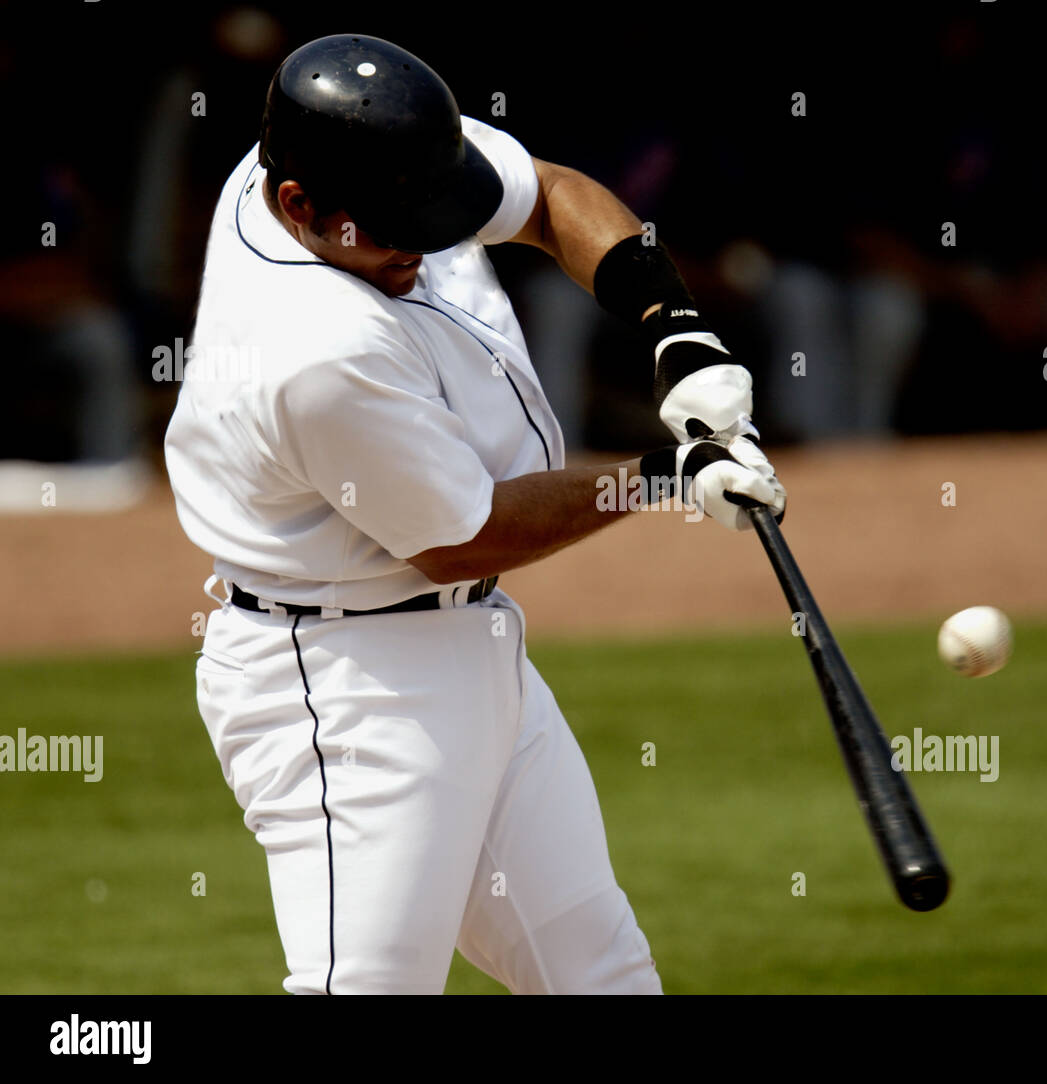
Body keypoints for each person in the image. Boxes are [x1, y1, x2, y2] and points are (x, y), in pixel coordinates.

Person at [163, 33, 785, 994]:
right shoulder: (314, 350)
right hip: (347, 691)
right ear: (297, 206)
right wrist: (666, 473)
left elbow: (547, 196)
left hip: (475, 655)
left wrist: (677, 330)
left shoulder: (332, 165)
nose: (419, 245)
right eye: (393, 228)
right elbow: (465, 538)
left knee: (602, 976)